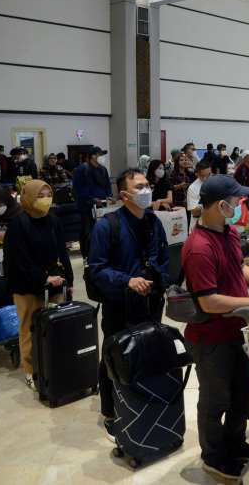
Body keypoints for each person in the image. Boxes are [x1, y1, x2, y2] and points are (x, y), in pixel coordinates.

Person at [182, 175, 249, 481]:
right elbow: (209, 302)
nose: (241, 205)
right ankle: (213, 456)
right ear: (221, 205)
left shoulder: (228, 232)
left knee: (242, 392)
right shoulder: (198, 248)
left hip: (239, 330)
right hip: (211, 337)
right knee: (215, 399)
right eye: (237, 202)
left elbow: (239, 268)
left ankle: (236, 442)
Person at [87, 168, 170, 443]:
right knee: (113, 355)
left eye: (148, 185)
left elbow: (163, 255)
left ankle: (142, 400)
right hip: (119, 302)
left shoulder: (153, 221)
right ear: (124, 194)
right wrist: (127, 281)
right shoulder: (106, 226)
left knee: (147, 351)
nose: (147, 190)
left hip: (151, 301)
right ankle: (110, 414)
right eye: (140, 187)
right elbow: (97, 269)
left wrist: (161, 282)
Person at [3, 180, 73, 390]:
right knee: (30, 329)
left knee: (56, 326)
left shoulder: (53, 220)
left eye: (48, 195)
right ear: (28, 198)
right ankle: (31, 371)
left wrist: (68, 280)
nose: (45, 200)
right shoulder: (18, 224)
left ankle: (54, 365)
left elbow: (62, 252)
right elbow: (21, 260)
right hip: (26, 286)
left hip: (54, 283)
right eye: (40, 196)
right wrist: (43, 277)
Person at [72, 146, 115, 260]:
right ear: (93, 156)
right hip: (87, 207)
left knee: (102, 230)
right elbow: (77, 189)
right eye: (100, 154)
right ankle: (86, 255)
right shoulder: (82, 169)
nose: (102, 157)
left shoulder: (103, 169)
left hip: (102, 207)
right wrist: (91, 199)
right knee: (87, 231)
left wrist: (110, 195)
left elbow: (107, 185)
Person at [187, 160, 212, 228]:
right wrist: (213, 205)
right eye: (205, 176)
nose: (208, 178)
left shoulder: (214, 183)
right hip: (199, 225)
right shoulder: (193, 188)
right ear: (197, 175)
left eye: (209, 174)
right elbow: (194, 211)